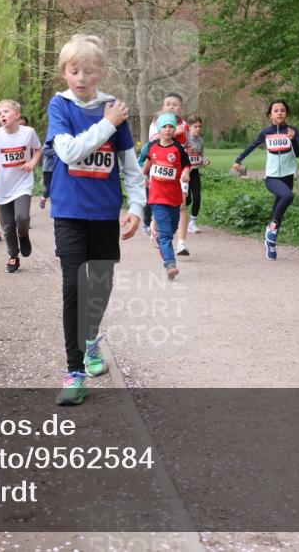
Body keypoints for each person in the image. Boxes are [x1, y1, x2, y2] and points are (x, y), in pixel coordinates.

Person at [45, 34, 146, 405]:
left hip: (105, 214)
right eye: (75, 71)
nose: (82, 78)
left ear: (101, 72)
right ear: (65, 73)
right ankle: (74, 372)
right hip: (69, 212)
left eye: (89, 71)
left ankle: (90, 341)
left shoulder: (115, 110)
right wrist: (105, 124)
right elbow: (70, 152)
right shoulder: (60, 106)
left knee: (100, 286)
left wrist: (137, 208)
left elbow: (131, 166)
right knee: (74, 286)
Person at [232, 100, 299, 260]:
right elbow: (253, 145)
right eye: (276, 111)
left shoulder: (293, 131)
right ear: (270, 115)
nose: (279, 113)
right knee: (288, 196)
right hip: (272, 177)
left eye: (282, 110)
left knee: (278, 210)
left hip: (288, 176)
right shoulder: (266, 132)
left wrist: (292, 139)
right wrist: (239, 159)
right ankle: (272, 228)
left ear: (286, 113)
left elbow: (298, 153)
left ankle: (270, 243)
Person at [0, 100, 42, 273]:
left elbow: (38, 149)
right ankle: (13, 256)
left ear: (17, 115)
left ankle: (23, 234)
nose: (2, 115)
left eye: (6, 112)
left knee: (22, 218)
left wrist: (32, 162)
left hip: (22, 183)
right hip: (2, 185)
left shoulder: (28, 133)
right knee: (7, 227)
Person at [141, 112, 191, 279]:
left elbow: (186, 165)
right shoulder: (152, 147)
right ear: (159, 129)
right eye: (165, 126)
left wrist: (185, 173)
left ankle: (160, 239)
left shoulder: (178, 148)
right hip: (157, 197)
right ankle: (170, 263)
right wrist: (142, 176)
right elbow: (147, 163)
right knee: (167, 234)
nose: (168, 130)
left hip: (174, 196)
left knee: (173, 227)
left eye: (171, 127)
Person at [185, 114, 210, 233]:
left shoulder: (201, 141)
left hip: (194, 173)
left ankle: (192, 222)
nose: (198, 129)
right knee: (187, 200)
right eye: (195, 127)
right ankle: (177, 217)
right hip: (184, 174)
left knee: (197, 198)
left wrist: (204, 161)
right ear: (189, 127)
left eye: (200, 127)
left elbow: (200, 157)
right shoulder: (184, 139)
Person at [39, 138, 57, 210]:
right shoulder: (49, 140)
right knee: (48, 187)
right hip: (48, 169)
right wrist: (57, 151)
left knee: (56, 189)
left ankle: (55, 208)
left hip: (58, 169)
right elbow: (45, 151)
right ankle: (43, 198)